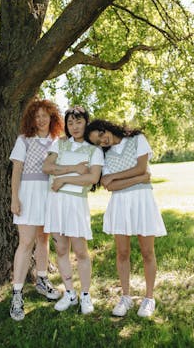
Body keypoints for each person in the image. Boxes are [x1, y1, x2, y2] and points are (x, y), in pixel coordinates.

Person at [84, 119, 167, 318]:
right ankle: (126, 297)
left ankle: (149, 298)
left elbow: (141, 167)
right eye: (97, 142)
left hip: (142, 201)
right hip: (120, 204)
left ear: (106, 127)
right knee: (122, 252)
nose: (102, 141)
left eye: (101, 135)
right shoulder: (106, 155)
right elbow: (111, 186)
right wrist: (138, 178)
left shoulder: (138, 140)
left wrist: (116, 176)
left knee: (147, 252)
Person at [42, 106, 104, 314]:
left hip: (76, 204)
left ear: (86, 123)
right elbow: (47, 167)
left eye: (78, 122)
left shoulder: (94, 150)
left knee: (80, 251)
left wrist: (63, 179)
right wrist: (73, 169)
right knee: (61, 250)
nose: (74, 126)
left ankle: (85, 295)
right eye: (70, 122)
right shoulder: (59, 143)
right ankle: (69, 292)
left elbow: (92, 178)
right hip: (56, 203)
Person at [9, 97, 64, 321]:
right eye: (37, 116)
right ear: (32, 119)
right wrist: (15, 198)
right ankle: (17, 294)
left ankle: (42, 280)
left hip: (49, 194)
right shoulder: (24, 140)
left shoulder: (56, 141)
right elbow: (17, 171)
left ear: (52, 118)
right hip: (29, 194)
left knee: (43, 239)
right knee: (26, 242)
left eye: (45, 115)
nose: (41, 119)